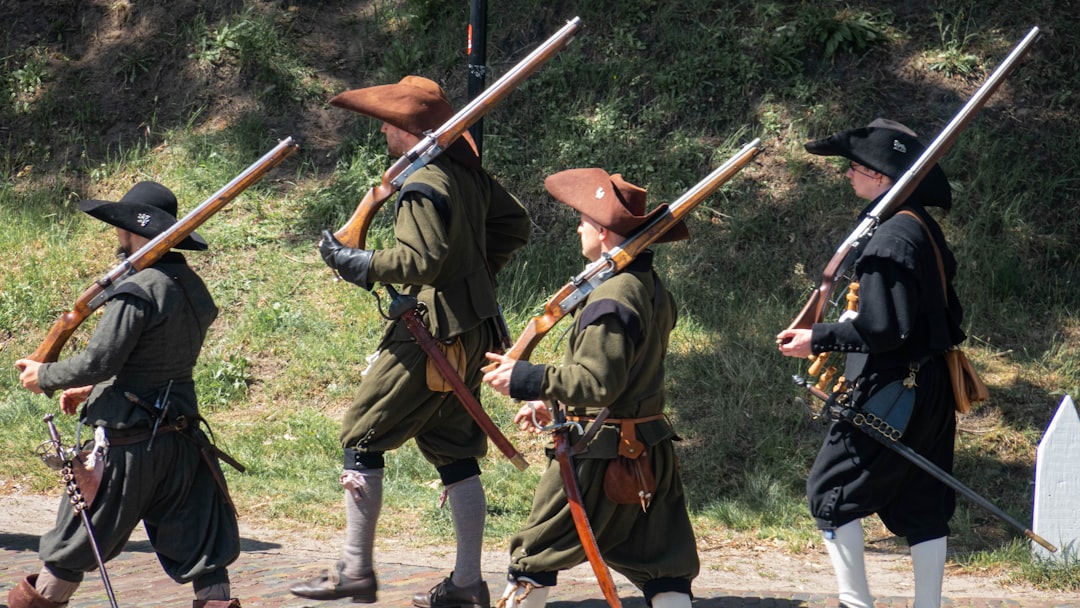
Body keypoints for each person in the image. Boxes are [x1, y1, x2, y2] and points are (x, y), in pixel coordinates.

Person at [289, 75, 530, 608]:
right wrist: (475, 272)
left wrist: (362, 264)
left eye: (387, 122)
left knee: (361, 435)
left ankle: (354, 571)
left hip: (432, 335)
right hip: (472, 330)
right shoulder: (466, 175)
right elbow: (515, 227)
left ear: (405, 128)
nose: (381, 130)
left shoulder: (423, 182)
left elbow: (420, 261)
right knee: (454, 452)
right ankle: (467, 585)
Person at [12, 181, 242, 608]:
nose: (116, 236)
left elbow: (102, 359)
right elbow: (149, 359)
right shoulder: (191, 287)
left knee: (69, 551)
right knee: (205, 556)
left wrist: (47, 375)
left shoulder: (137, 289)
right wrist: (93, 387)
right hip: (181, 443)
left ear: (131, 231)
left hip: (127, 446)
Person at [483, 169, 699, 608]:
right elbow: (621, 377)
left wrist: (526, 379)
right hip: (645, 446)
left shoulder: (612, 297)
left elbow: (598, 383)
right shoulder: (650, 288)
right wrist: (552, 401)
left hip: (600, 454)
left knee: (535, 557)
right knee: (663, 567)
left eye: (582, 220)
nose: (577, 227)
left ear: (602, 232)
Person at [775, 118, 964, 608]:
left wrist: (818, 337)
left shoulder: (891, 240)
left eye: (856, 168)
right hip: (929, 385)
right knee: (921, 501)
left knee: (830, 489)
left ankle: (855, 604)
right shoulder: (919, 227)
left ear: (881, 176)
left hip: (894, 389)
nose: (849, 176)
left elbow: (882, 329)